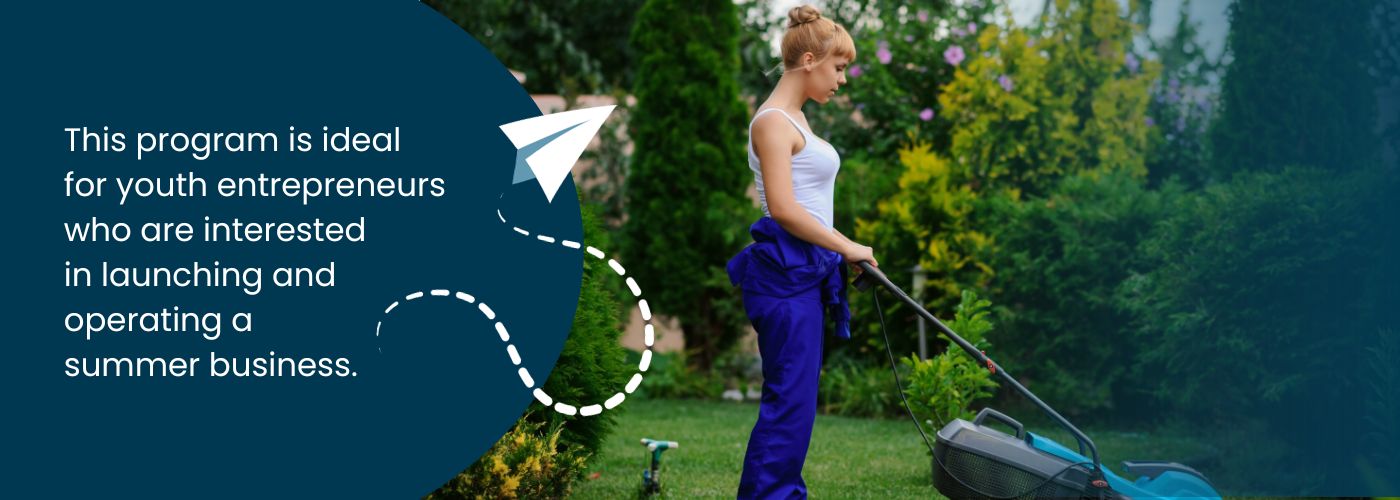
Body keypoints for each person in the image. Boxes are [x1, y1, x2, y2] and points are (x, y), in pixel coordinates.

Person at [725, 5, 877, 499]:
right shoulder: (772, 123)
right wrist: (848, 246)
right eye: (838, 68)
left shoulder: (796, 119)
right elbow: (786, 210)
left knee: (795, 404)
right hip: (783, 276)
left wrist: (841, 254)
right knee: (788, 404)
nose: (842, 80)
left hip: (806, 273)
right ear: (809, 60)